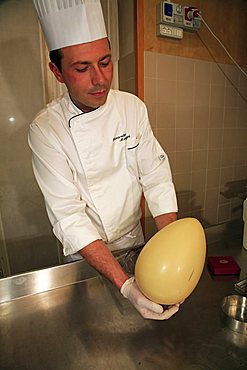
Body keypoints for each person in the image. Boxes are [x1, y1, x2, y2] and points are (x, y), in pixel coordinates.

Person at [29, 0, 180, 320]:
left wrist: (172, 252)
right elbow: (69, 216)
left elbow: (155, 176)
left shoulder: (132, 108)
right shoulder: (46, 129)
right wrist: (126, 287)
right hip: (85, 258)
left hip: (134, 243)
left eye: (105, 62)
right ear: (57, 71)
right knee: (92, 329)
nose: (100, 79)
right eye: (82, 68)